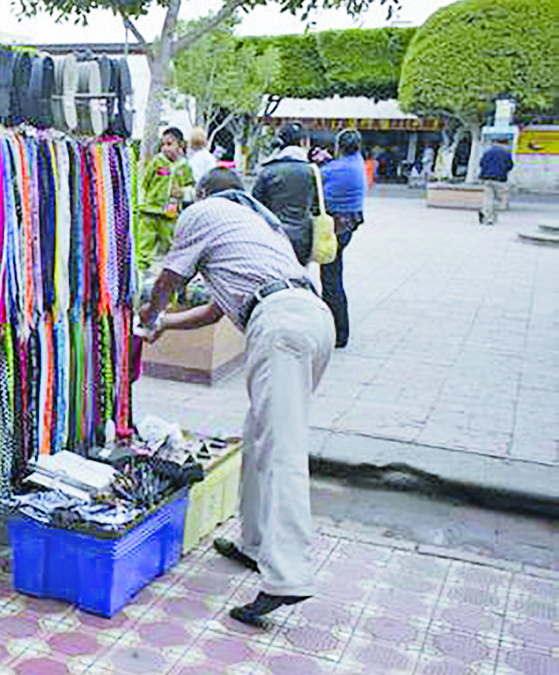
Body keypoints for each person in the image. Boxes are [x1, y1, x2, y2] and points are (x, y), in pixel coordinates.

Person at [136, 167, 334, 627]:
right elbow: (214, 312)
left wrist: (149, 315)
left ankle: (287, 577)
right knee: (259, 435)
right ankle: (253, 542)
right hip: (309, 318)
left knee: (282, 448)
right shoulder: (259, 225)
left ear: (204, 194)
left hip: (281, 326)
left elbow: (168, 280)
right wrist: (165, 326)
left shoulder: (202, 212)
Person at [318, 129, 366, 349]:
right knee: (332, 275)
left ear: (340, 146)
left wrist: (320, 164)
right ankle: (336, 329)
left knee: (331, 280)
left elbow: (317, 185)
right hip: (348, 225)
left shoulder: (337, 169)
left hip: (335, 227)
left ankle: (338, 332)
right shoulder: (356, 162)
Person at [253, 123, 318, 266]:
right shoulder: (311, 171)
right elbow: (317, 206)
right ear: (303, 142)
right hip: (303, 237)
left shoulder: (268, 170)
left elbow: (255, 205)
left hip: (272, 234)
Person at [136, 127, 195, 276]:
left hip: (170, 213)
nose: (165, 148)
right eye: (163, 144)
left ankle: (170, 280)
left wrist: (182, 193)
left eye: (169, 144)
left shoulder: (185, 166)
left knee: (171, 247)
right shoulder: (157, 162)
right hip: (150, 211)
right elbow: (145, 182)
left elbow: (190, 186)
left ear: (180, 145)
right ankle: (139, 275)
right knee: (144, 246)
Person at [478, 137, 514, 225]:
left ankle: (485, 213)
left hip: (487, 178)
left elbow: (481, 163)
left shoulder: (488, 152)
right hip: (500, 179)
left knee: (488, 198)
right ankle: (492, 218)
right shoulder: (506, 154)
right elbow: (510, 165)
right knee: (498, 199)